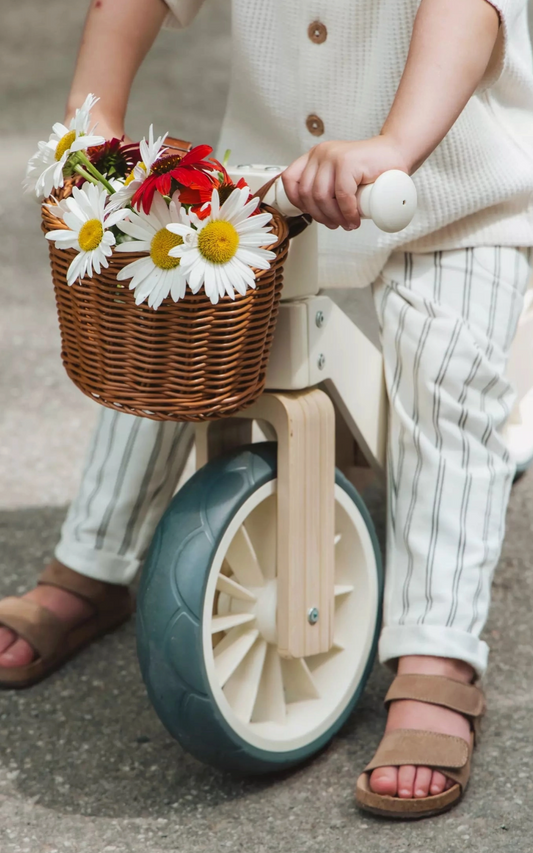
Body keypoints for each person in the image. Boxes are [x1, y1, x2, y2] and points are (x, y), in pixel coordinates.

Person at [2, 0, 533, 819]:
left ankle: (436, 651)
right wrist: (92, 116)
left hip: (447, 185)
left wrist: (394, 145)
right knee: (171, 319)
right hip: (272, 183)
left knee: (445, 369)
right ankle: (93, 561)